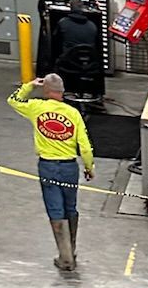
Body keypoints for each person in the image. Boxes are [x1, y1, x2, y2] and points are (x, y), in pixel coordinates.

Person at [6, 73, 94, 274]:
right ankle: (71, 250)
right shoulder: (73, 114)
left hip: (47, 167)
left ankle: (66, 258)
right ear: (62, 92)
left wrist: (29, 86)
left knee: (56, 210)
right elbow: (86, 147)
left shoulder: (36, 107)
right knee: (70, 208)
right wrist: (89, 167)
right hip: (70, 168)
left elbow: (13, 100)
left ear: (46, 91)